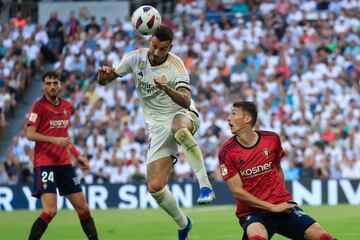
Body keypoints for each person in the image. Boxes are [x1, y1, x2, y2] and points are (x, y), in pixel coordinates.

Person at [97, 25, 215, 239]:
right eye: (154, 46)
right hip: (156, 127)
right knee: (155, 187)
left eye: (163, 49)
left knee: (178, 128)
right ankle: (183, 224)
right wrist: (102, 76)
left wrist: (166, 88)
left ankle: (205, 185)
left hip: (182, 113)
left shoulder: (176, 66)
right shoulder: (135, 59)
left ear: (171, 47)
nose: (157, 52)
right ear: (149, 41)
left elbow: (186, 100)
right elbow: (105, 80)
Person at [218, 101, 336, 240]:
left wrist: (279, 198)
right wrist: (271, 207)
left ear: (247, 119)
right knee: (257, 237)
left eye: (233, 113)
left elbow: (278, 167)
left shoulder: (272, 139)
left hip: (281, 207)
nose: (228, 118)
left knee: (321, 236)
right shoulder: (227, 151)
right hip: (253, 212)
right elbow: (237, 191)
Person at [26, 71, 98, 240]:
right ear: (43, 87)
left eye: (55, 83)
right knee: (50, 210)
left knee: (84, 209)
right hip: (45, 164)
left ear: (60, 85)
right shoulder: (38, 106)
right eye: (48, 83)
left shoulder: (67, 106)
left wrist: (77, 155)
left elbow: (65, 137)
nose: (52, 86)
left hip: (65, 164)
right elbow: (30, 134)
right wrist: (53, 140)